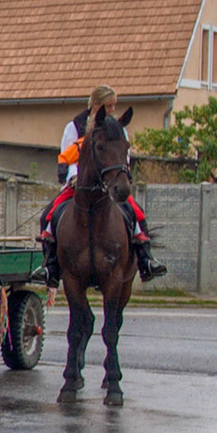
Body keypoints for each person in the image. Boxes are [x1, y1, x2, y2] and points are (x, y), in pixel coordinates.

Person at [39, 85, 166, 284]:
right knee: (48, 215)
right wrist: (74, 177)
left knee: (136, 212)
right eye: (109, 106)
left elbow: (123, 156)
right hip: (79, 183)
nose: (113, 110)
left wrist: (118, 176)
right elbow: (67, 155)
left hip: (109, 182)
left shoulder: (118, 129)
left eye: (114, 106)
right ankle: (50, 266)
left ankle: (145, 260)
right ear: (97, 105)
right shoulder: (75, 127)